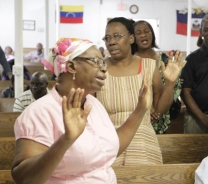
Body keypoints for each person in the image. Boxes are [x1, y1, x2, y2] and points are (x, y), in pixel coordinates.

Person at [12, 37, 152, 183]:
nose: (104, 68)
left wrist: (141, 108)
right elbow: (24, 179)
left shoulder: (94, 104)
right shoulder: (38, 112)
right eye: (97, 61)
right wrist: (67, 139)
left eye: (103, 62)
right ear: (71, 66)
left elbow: (106, 151)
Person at [96, 17, 185, 165]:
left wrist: (170, 83)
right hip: (109, 143)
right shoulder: (99, 69)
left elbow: (160, 109)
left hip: (143, 143)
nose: (111, 42)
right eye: (108, 38)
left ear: (131, 38)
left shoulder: (148, 66)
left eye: (117, 36)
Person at [134, 20, 182, 134]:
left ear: (152, 35)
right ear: (132, 37)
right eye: (139, 32)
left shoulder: (165, 60)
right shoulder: (129, 61)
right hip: (135, 117)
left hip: (161, 118)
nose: (143, 35)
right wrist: (146, 109)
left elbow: (174, 87)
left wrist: (157, 112)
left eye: (147, 31)